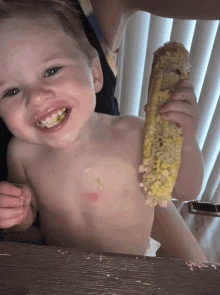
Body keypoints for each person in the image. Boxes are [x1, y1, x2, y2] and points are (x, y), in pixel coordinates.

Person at [0, 0, 206, 261]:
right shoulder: (20, 152)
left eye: (52, 70)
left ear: (96, 73)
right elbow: (29, 216)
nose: (37, 98)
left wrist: (186, 139)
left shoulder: (133, 133)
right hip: (64, 267)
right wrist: (16, 212)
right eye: (12, 91)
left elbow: (185, 191)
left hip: (134, 266)